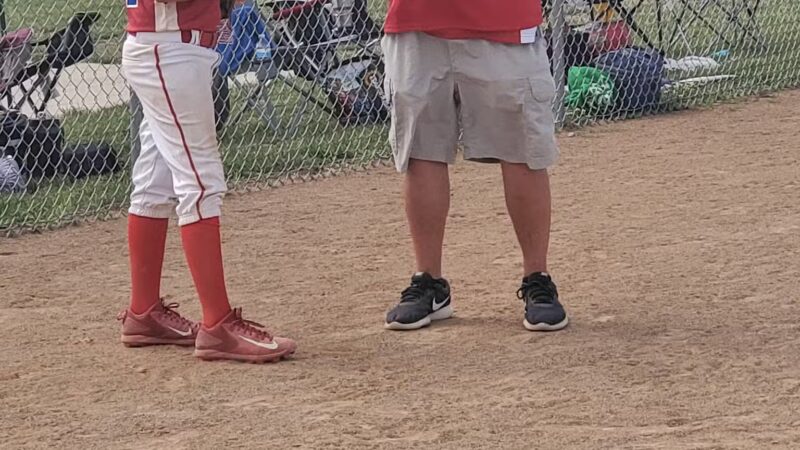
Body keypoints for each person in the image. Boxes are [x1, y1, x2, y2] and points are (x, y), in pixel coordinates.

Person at [118, 0, 296, 362]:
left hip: (171, 47)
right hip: (169, 50)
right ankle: (218, 325)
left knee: (155, 180)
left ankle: (144, 312)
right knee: (200, 182)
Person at [381, 0, 569, 331]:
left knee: (522, 151)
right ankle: (429, 283)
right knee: (421, 152)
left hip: (504, 20)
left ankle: (537, 279)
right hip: (416, 22)